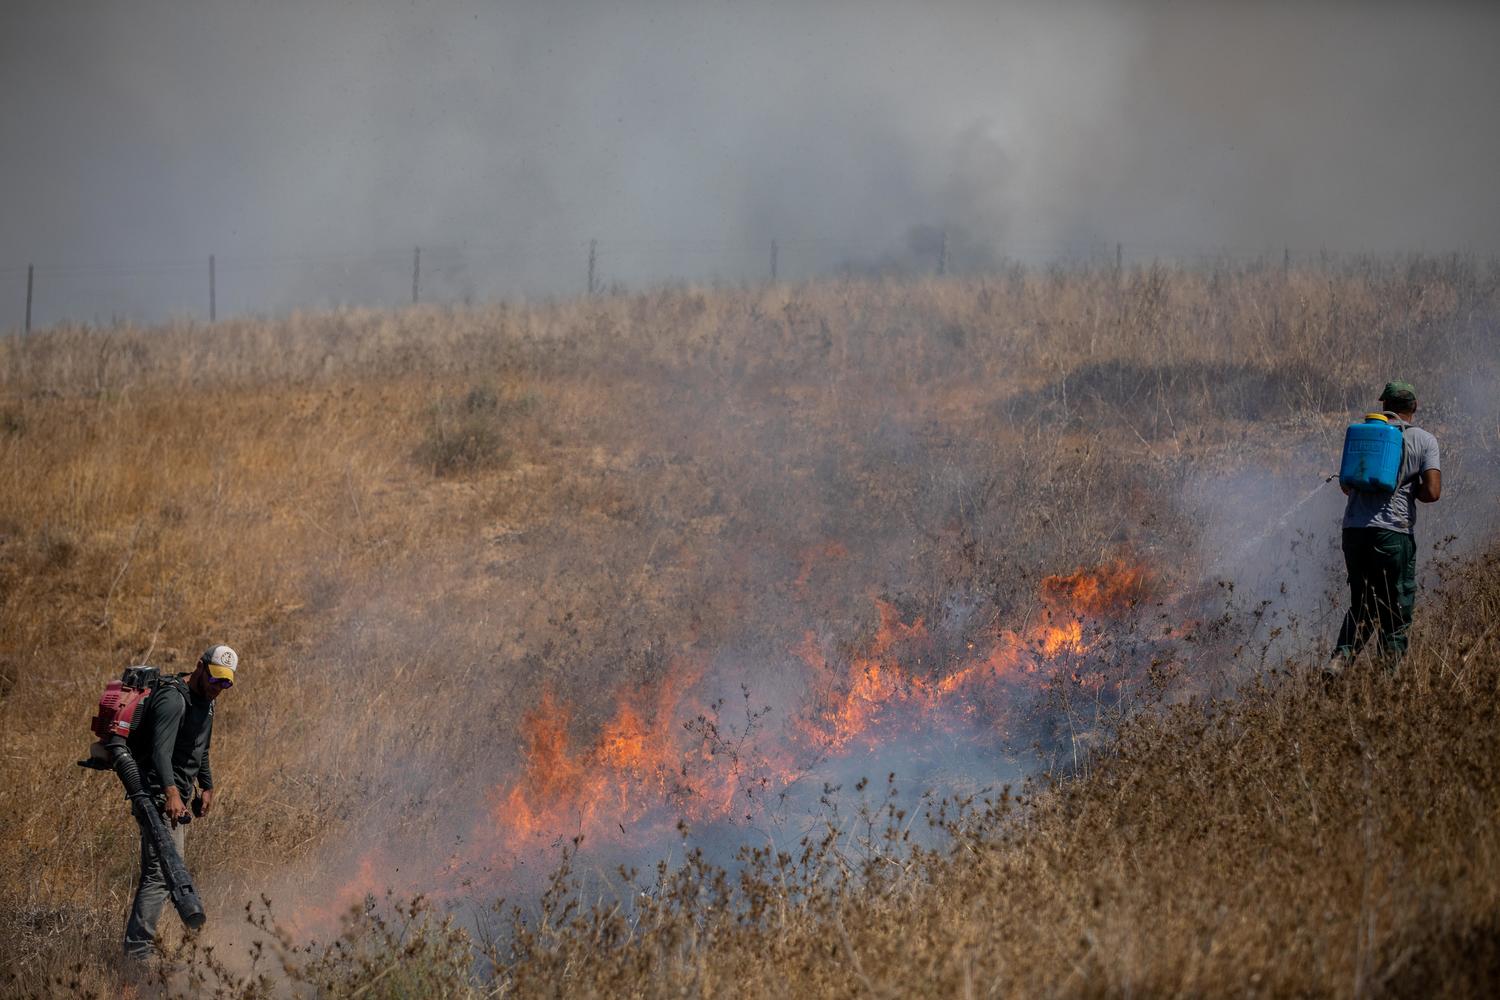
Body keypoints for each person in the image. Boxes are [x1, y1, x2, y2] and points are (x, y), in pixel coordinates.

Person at [122, 644, 238, 962]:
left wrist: (207, 786)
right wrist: (172, 794)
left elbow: (201, 748)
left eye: (225, 683)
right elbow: (160, 751)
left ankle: (164, 946)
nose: (218, 688)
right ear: (200, 667)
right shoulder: (174, 698)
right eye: (215, 679)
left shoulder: (207, 702)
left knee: (169, 872)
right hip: (158, 796)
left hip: (180, 799)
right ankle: (138, 954)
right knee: (160, 874)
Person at [1330, 381, 1440, 669]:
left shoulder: (1363, 435)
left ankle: (1339, 660)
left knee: (1362, 604)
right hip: (1392, 534)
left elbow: (1347, 485)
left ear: (1384, 407)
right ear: (1414, 408)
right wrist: (1409, 490)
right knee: (1395, 610)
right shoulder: (1425, 440)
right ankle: (1385, 683)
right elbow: (1432, 492)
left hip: (1353, 532)